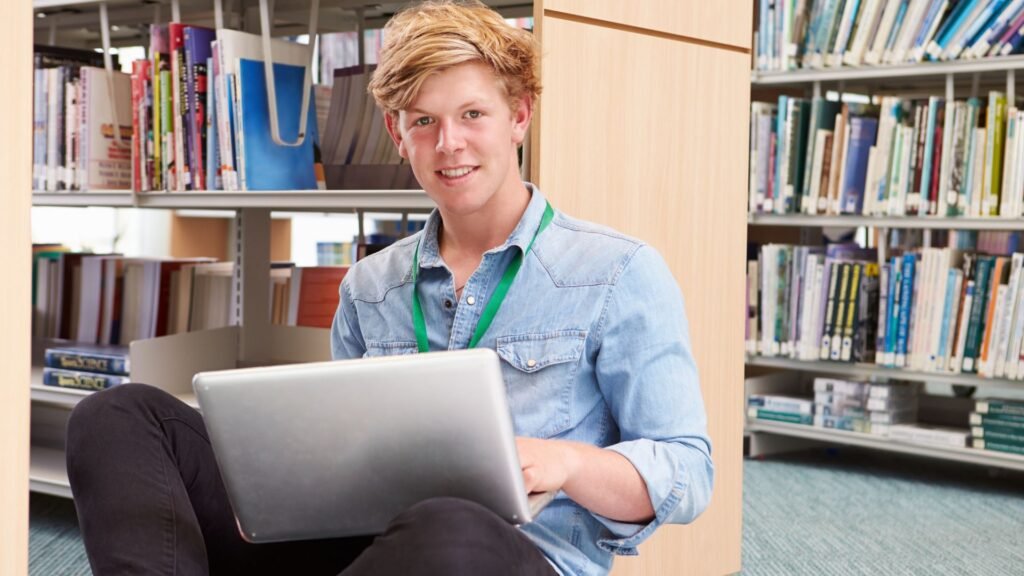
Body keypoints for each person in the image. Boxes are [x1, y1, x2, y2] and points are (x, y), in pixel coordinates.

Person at [65, 1, 713, 575]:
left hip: (513, 557)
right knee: (116, 414)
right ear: (397, 132)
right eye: (423, 121)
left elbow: (689, 473)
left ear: (519, 116)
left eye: (472, 114)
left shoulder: (619, 272)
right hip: (367, 548)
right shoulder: (370, 285)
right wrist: (284, 493)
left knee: (450, 525)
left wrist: (566, 463)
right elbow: (343, 460)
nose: (449, 144)